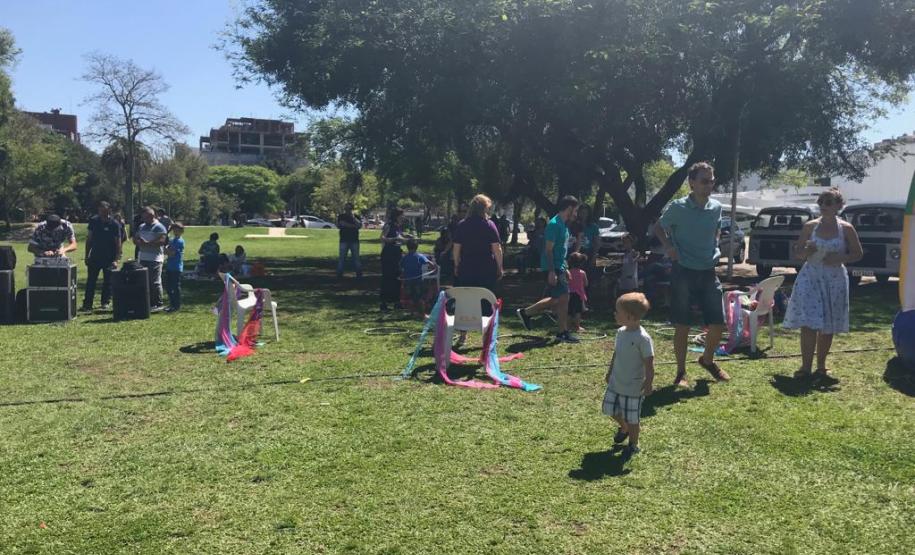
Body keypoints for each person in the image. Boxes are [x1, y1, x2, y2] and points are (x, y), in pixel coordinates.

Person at [655, 162, 730, 387]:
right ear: (692, 183)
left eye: (712, 181)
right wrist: (668, 247)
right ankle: (681, 373)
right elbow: (658, 227)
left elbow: (717, 228)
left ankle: (707, 360)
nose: (709, 185)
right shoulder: (678, 207)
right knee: (683, 323)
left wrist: (715, 245)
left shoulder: (716, 207)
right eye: (704, 181)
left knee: (718, 323)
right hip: (683, 270)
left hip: (708, 270)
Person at [783, 188, 863, 378]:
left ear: (838, 206)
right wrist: (807, 251)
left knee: (828, 323)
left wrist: (840, 258)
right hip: (810, 277)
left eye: (828, 202)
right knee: (808, 322)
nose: (823, 206)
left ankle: (821, 366)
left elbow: (858, 253)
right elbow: (798, 254)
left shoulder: (846, 228)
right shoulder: (810, 226)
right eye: (821, 202)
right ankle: (805, 367)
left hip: (834, 279)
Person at [517, 195, 581, 343]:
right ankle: (561, 332)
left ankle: (527, 313)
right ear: (569, 208)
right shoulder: (554, 224)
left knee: (558, 299)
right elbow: (548, 250)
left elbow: (561, 250)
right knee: (563, 298)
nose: (576, 214)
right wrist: (552, 271)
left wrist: (565, 267)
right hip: (552, 267)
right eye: (575, 210)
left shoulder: (564, 225)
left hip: (559, 266)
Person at [602, 292, 655, 458]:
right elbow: (616, 353)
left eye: (618, 311)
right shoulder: (620, 332)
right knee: (609, 409)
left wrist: (648, 382)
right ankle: (624, 427)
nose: (615, 314)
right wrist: (610, 371)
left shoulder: (643, 338)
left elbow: (649, 363)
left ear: (630, 316)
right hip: (616, 381)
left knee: (633, 418)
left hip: (633, 386)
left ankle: (633, 444)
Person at [453, 194, 504, 294]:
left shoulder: (462, 225)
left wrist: (456, 265)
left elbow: (456, 248)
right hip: (486, 268)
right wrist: (499, 266)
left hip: (467, 267)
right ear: (484, 208)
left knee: (468, 296)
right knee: (486, 297)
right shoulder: (489, 225)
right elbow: (497, 248)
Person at [82, 201, 122, 311]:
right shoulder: (94, 221)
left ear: (109, 210)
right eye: (100, 210)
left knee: (108, 281)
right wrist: (86, 255)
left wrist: (116, 259)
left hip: (109, 257)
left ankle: (105, 302)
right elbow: (89, 239)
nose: (103, 212)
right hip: (95, 256)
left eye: (105, 210)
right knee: (91, 281)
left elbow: (118, 242)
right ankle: (87, 303)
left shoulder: (114, 224)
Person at [133, 206, 168, 312]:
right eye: (143, 217)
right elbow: (135, 238)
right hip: (142, 257)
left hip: (155, 258)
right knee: (144, 281)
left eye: (145, 217)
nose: (143, 219)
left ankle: (158, 303)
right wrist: (138, 242)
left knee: (154, 281)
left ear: (151, 216)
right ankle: (147, 302)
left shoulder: (159, 227)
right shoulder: (142, 226)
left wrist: (147, 243)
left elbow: (162, 241)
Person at [380, 208, 409, 311]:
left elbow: (399, 236)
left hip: (397, 253)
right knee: (388, 277)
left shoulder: (398, 226)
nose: (403, 217)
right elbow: (382, 237)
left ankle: (397, 301)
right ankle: (384, 303)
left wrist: (405, 237)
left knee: (397, 277)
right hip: (388, 253)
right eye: (402, 215)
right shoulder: (389, 225)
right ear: (397, 216)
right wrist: (394, 239)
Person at [400, 239, 435, 317]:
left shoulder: (405, 257)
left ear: (407, 247)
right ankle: (422, 314)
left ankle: (412, 312)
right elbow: (430, 264)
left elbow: (401, 266)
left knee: (410, 297)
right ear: (417, 247)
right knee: (420, 297)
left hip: (408, 280)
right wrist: (433, 268)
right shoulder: (420, 256)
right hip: (418, 281)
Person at [336, 202, 363, 278]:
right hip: (344, 240)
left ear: (352, 209)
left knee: (356, 258)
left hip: (354, 240)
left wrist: (353, 218)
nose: (347, 210)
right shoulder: (341, 216)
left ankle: (359, 273)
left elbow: (359, 225)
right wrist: (353, 226)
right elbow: (339, 224)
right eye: (346, 208)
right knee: (342, 258)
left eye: (349, 208)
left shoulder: (356, 216)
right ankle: (339, 273)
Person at [164, 223, 185, 312]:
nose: (175, 231)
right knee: (168, 287)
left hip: (176, 267)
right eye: (174, 230)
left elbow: (171, 254)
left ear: (181, 231)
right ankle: (172, 304)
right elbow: (167, 252)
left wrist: (164, 248)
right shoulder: (172, 240)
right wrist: (166, 248)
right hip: (169, 266)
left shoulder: (179, 241)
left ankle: (176, 305)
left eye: (178, 230)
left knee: (175, 287)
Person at [568, 252, 589, 332]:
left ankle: (568, 326)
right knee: (578, 311)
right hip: (578, 295)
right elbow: (586, 284)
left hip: (569, 294)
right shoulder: (582, 273)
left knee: (569, 311)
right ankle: (577, 327)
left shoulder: (568, 272)